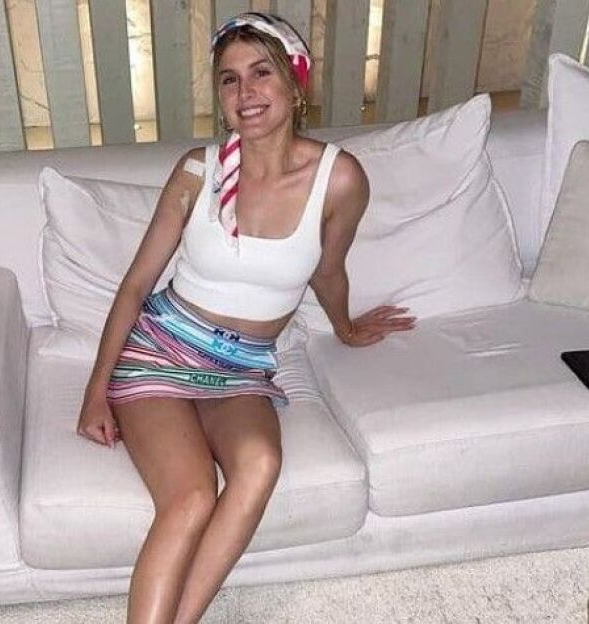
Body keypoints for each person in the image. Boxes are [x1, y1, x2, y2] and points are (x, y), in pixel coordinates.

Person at [76, 12, 415, 624]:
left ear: (295, 83)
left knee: (259, 465)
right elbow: (136, 285)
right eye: (229, 79)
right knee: (190, 499)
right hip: (161, 351)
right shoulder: (197, 171)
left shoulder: (339, 178)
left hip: (242, 369)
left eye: (262, 73)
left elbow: (327, 270)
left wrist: (345, 327)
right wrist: (96, 391)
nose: (246, 92)